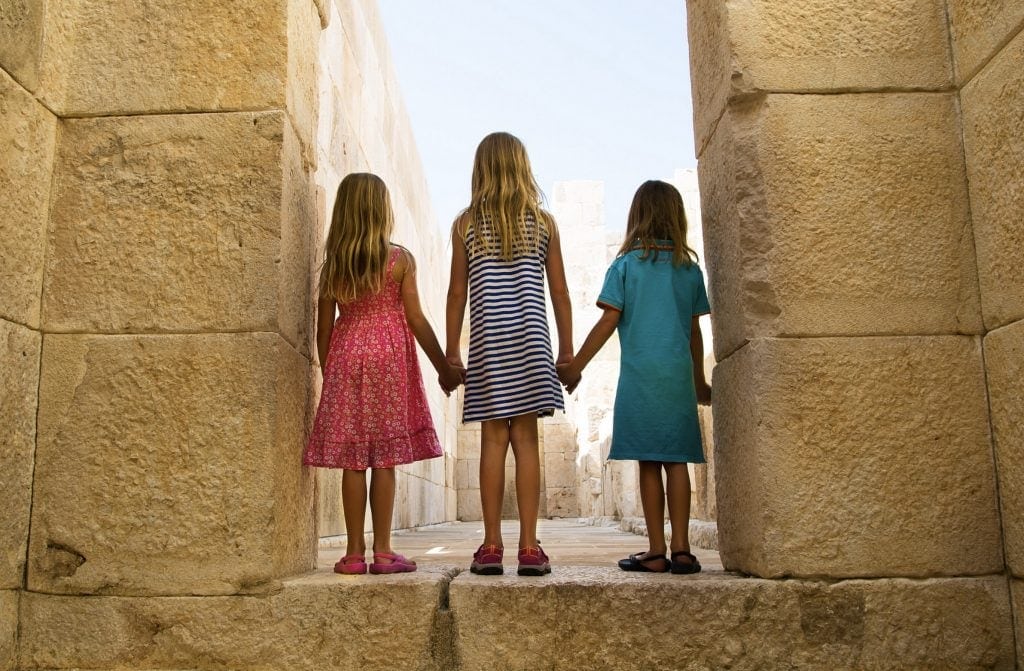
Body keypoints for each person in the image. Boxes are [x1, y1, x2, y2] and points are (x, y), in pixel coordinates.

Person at [305, 172, 464, 576]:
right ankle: (384, 550)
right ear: (382, 211)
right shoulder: (399, 261)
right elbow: (416, 320)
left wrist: (331, 373)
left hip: (346, 362)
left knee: (353, 460)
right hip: (389, 365)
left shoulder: (333, 269)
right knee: (385, 459)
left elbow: (323, 329)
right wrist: (444, 366)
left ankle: (353, 553)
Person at [558, 179, 711, 575]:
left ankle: (655, 550)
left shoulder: (625, 266)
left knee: (648, 462)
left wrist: (575, 366)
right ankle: (682, 549)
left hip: (640, 379)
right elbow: (694, 333)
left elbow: (609, 320)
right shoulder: (689, 271)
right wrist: (699, 382)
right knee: (678, 463)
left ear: (637, 217)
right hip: (676, 378)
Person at [446, 132, 573, 576]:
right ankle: (530, 546)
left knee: (493, 442)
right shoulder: (543, 223)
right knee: (526, 442)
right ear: (523, 167)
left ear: (480, 169)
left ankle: (491, 545)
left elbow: (457, 292)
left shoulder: (466, 224)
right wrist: (568, 350)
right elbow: (558, 291)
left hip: (488, 343)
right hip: (532, 341)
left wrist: (450, 352)